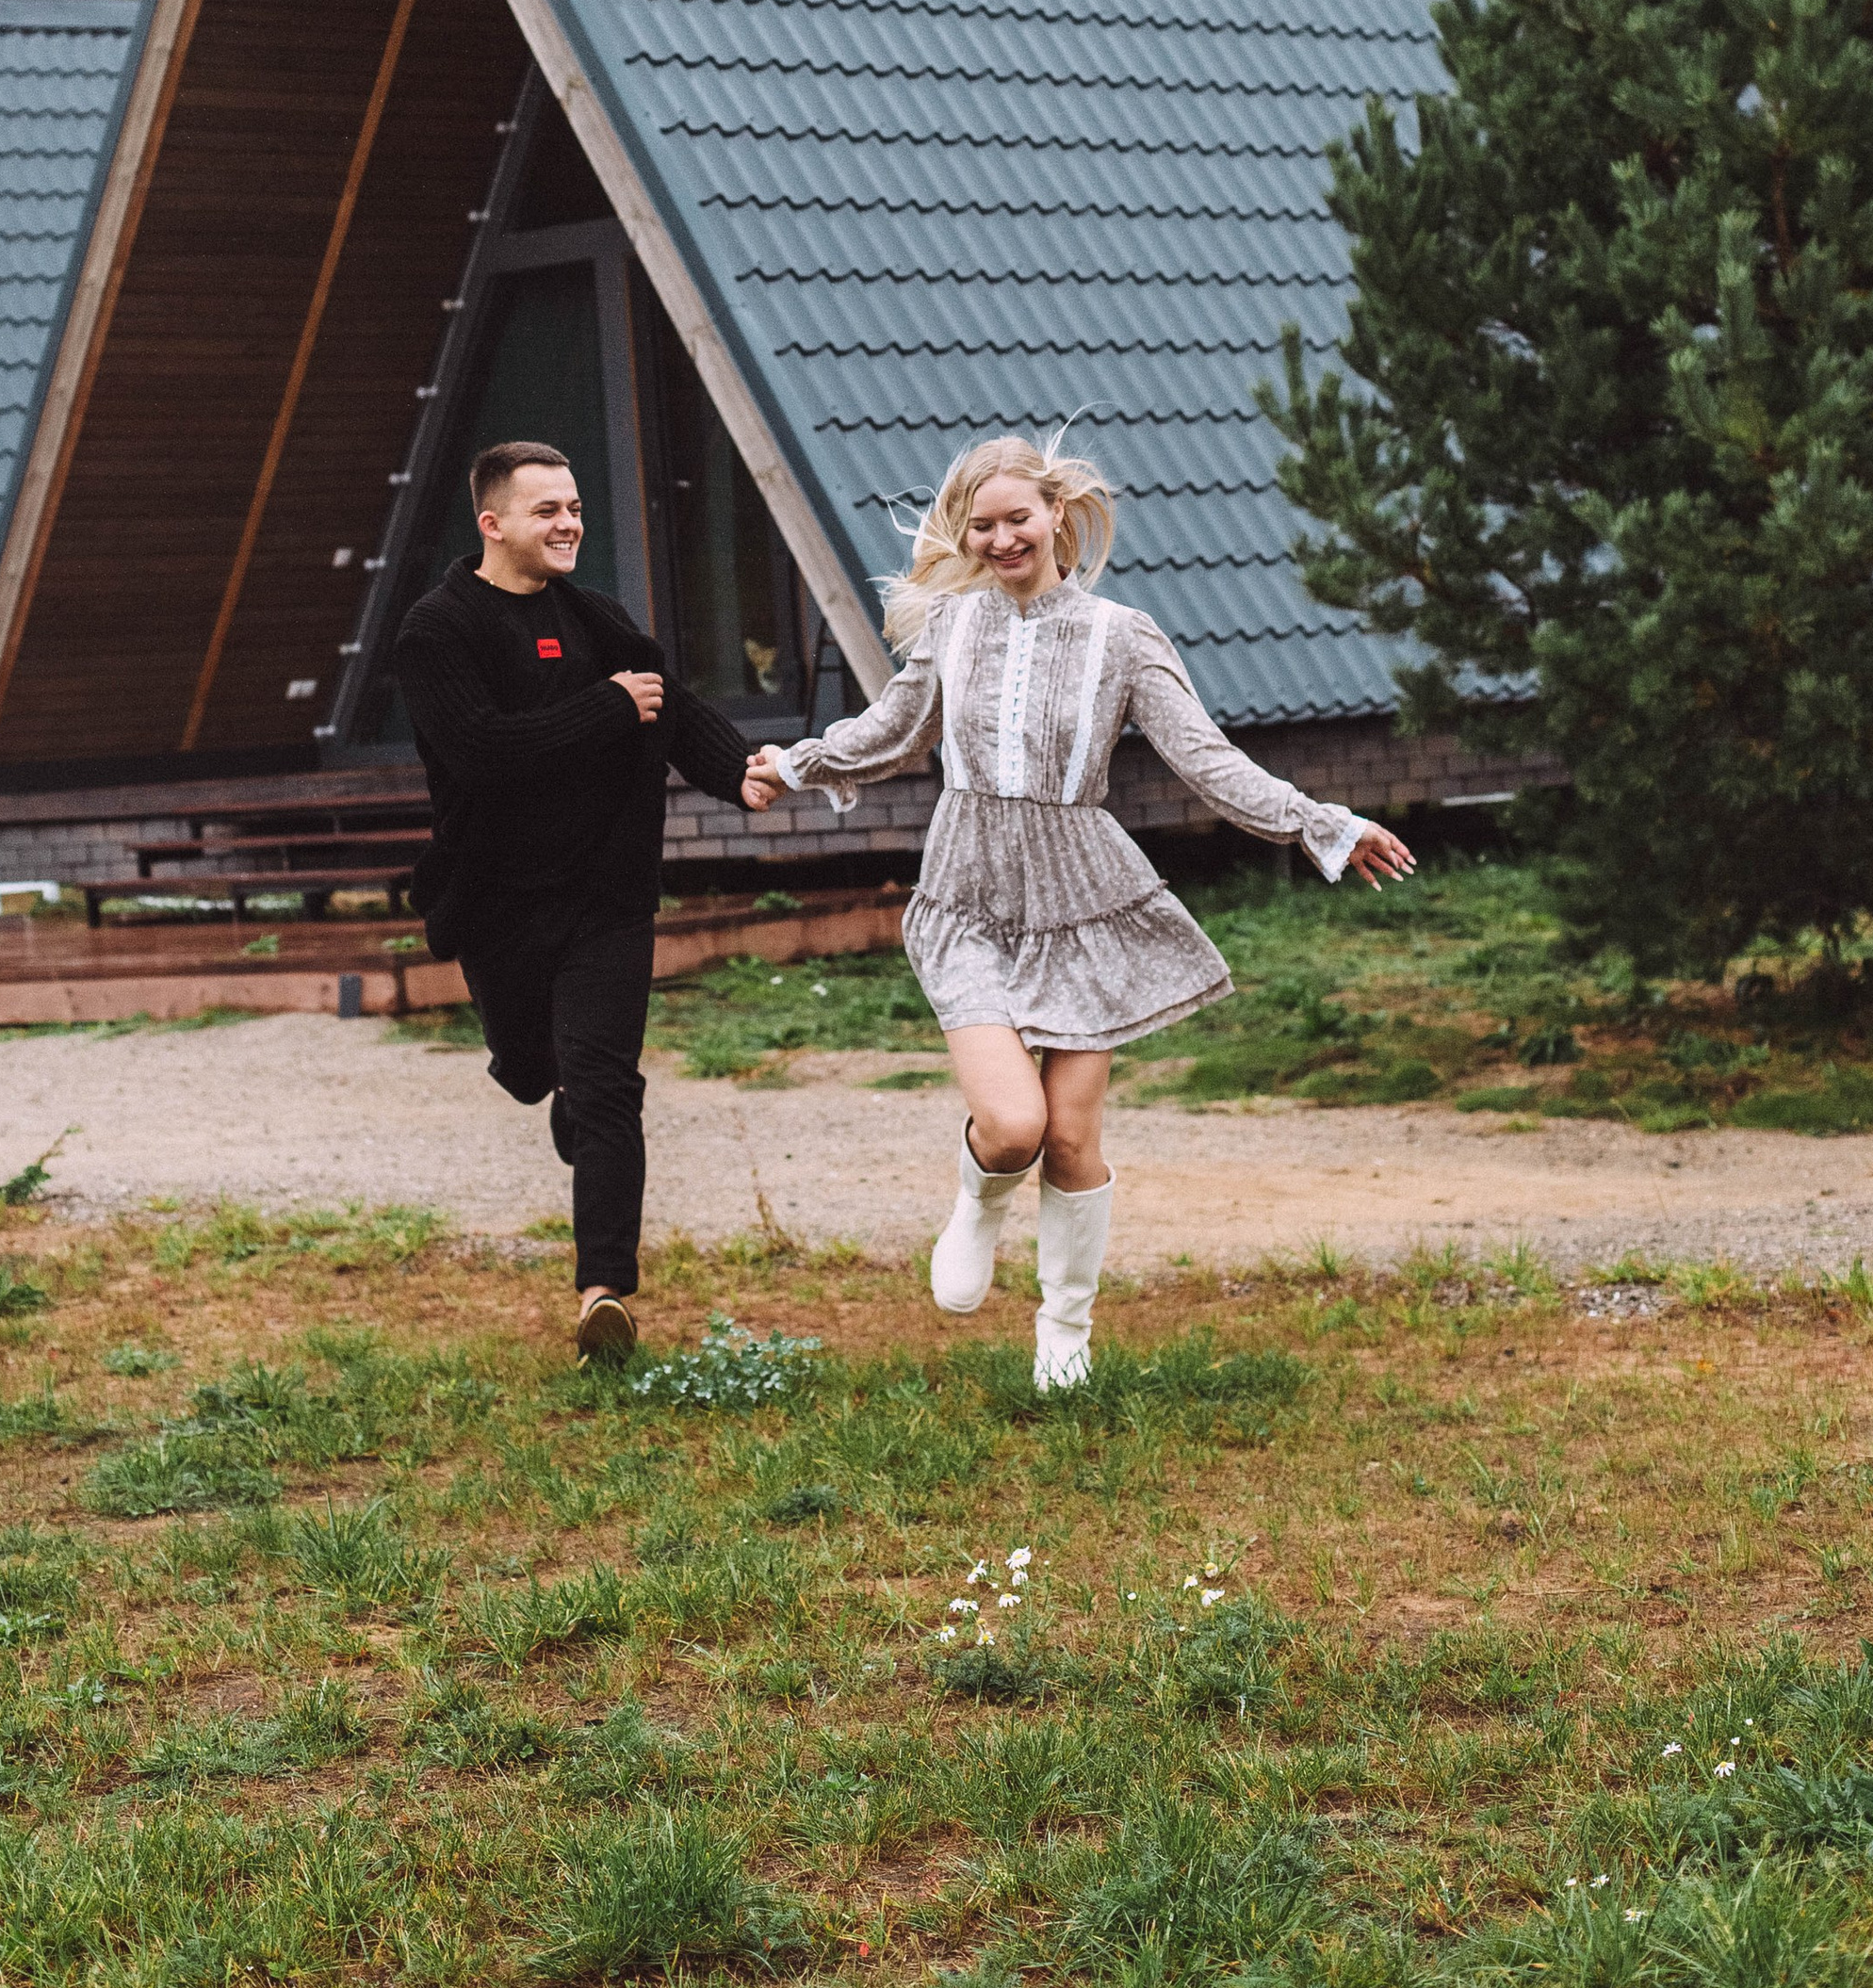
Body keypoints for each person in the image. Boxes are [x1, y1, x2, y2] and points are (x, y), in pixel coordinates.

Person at [744, 432, 1413, 1388]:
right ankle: (978, 1206)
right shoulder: (952, 629)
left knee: (1068, 1136)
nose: (1001, 540)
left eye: (1017, 519)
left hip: (1085, 901)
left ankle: (1065, 1327)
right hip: (966, 894)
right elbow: (888, 733)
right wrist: (794, 762)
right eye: (981, 527)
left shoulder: (1120, 637)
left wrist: (1323, 825)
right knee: (1013, 1127)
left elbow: (1209, 762)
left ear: (1057, 514)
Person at [395, 439, 774, 1362]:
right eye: (546, 512)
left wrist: (741, 774)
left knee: (608, 1089)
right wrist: (605, 708)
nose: (568, 525)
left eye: (573, 509)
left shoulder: (593, 616)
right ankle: (550, 1084)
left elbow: (667, 704)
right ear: (493, 525)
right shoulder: (437, 630)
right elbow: (480, 750)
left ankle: (602, 1294)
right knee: (535, 1072)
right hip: (498, 904)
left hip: (605, 896)